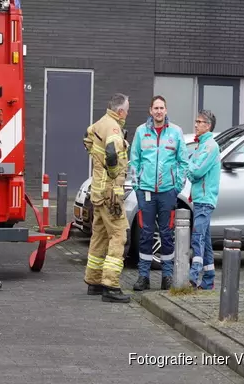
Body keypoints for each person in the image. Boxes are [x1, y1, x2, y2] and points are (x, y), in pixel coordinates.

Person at [129, 96, 189, 291]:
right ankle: (143, 276)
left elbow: (183, 162)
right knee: (146, 234)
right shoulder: (141, 132)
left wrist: (176, 187)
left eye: (161, 108)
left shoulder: (176, 132)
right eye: (155, 108)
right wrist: (138, 188)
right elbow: (134, 162)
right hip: (146, 192)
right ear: (150, 110)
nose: (158, 111)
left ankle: (167, 276)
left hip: (166, 193)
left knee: (166, 234)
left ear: (166, 110)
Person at [83, 93, 132, 303]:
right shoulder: (113, 127)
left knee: (100, 236)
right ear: (120, 111)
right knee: (119, 236)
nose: (127, 114)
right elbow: (112, 154)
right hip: (110, 194)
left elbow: (87, 141)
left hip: (97, 192)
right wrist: (113, 175)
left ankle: (93, 281)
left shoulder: (99, 124)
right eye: (127, 110)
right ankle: (111, 286)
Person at [187, 110, 221, 290]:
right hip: (201, 198)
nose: (196, 124)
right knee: (205, 241)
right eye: (196, 121)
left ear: (208, 126)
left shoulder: (209, 146)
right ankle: (208, 280)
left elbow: (196, 171)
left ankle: (192, 277)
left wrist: (188, 166)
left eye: (199, 122)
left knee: (197, 237)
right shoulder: (202, 145)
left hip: (205, 200)